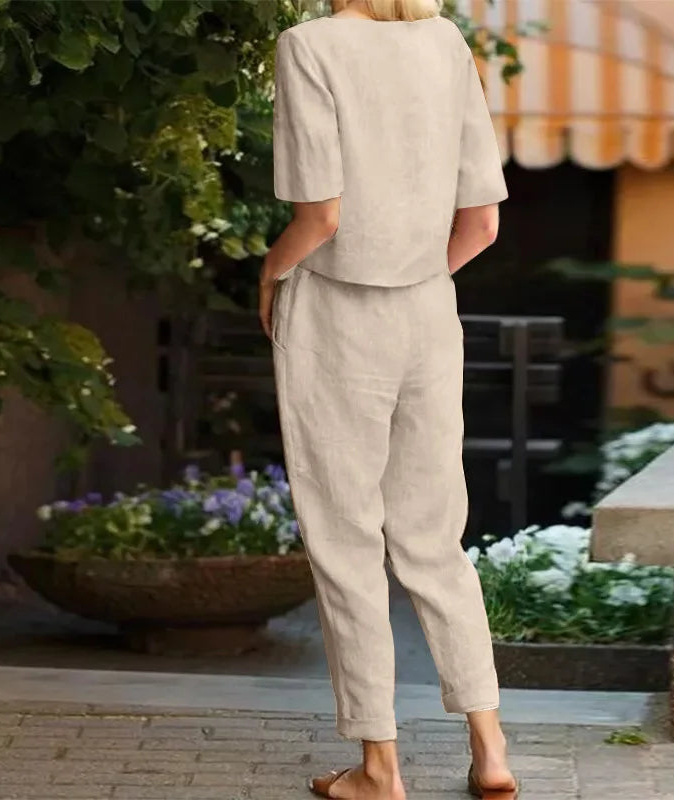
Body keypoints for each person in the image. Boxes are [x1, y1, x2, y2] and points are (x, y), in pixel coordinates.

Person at [259, 0, 517, 797]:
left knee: (346, 542)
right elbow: (482, 224)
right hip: (429, 310)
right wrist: (417, 274)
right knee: (435, 539)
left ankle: (380, 768)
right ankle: (491, 749)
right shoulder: (445, 43)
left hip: (337, 317)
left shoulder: (308, 46)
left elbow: (321, 216)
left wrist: (269, 271)